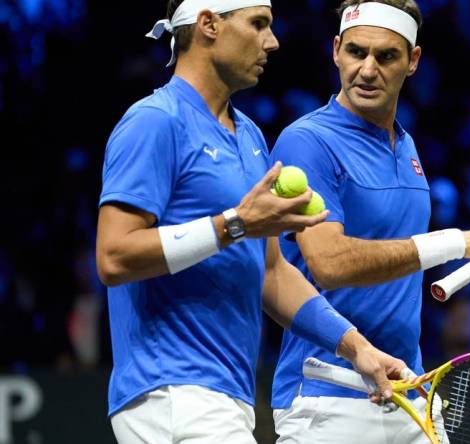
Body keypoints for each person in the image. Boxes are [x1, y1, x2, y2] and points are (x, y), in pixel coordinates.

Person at [96, 1, 405, 442]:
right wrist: (236, 224)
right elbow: (113, 257)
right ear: (208, 26)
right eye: (258, 24)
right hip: (170, 390)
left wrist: (357, 348)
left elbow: (273, 273)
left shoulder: (251, 137)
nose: (272, 42)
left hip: (228, 396)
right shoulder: (154, 121)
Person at [270, 1, 470, 442]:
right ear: (336, 50)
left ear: (413, 61)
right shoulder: (307, 142)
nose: (367, 70)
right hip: (328, 396)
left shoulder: (406, 147)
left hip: (409, 393)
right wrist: (458, 244)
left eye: (386, 56)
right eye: (356, 52)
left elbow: (394, 261)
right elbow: (330, 262)